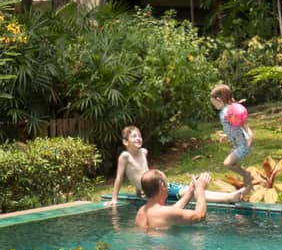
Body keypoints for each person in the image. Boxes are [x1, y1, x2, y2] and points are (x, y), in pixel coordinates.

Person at [106, 125, 246, 206]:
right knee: (190, 193)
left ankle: (229, 197)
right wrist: (114, 199)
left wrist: (141, 191)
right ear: (125, 142)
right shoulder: (125, 156)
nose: (138, 138)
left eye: (139, 136)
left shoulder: (144, 152)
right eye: (134, 136)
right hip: (153, 191)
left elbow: (144, 173)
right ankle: (229, 197)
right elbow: (120, 178)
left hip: (160, 187)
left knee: (191, 192)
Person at [135, 169, 214, 229]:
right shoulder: (166, 213)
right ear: (162, 186)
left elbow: (171, 211)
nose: (168, 188)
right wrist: (200, 188)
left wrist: (190, 191)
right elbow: (200, 216)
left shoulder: (141, 211)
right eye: (167, 185)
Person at [211, 83, 253, 188]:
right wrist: (227, 136)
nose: (214, 105)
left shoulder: (230, 111)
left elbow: (243, 124)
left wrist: (250, 136)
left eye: (214, 103)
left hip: (244, 144)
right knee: (230, 164)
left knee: (227, 163)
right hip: (238, 144)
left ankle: (247, 175)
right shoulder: (225, 111)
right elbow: (233, 126)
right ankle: (248, 185)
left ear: (219, 99)